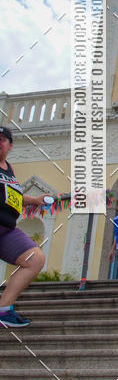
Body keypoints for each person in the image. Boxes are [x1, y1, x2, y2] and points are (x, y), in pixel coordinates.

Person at [0, 126, 50, 328]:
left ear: (10, 145)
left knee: (35, 259)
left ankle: (4, 309)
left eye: (2, 139)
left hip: (7, 228)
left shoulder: (8, 169)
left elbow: (14, 196)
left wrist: (36, 200)